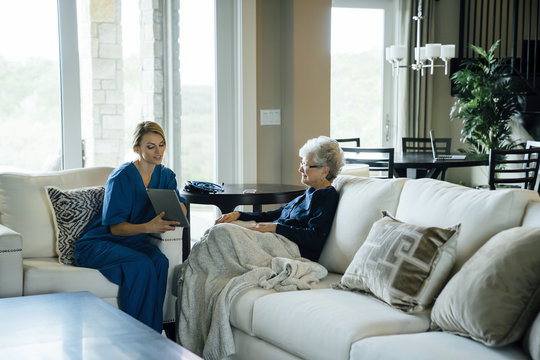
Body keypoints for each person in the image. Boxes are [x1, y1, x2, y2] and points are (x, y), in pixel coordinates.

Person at [75, 121, 186, 333]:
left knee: (160, 262)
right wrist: (149, 226)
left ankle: (153, 334)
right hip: (101, 242)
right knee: (142, 264)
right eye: (150, 146)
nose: (158, 151)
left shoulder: (166, 176)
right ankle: (135, 335)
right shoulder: (121, 177)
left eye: (161, 145)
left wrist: (180, 208)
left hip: (133, 242)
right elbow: (115, 229)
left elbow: (179, 209)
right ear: (137, 149)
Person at [215, 135, 343, 261]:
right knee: (222, 227)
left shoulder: (327, 196)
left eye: (305, 165)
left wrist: (275, 228)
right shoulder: (309, 193)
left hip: (290, 247)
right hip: (276, 237)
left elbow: (315, 237)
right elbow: (272, 215)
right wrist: (239, 214)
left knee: (221, 232)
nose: (300, 169)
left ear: (324, 171)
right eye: (301, 163)